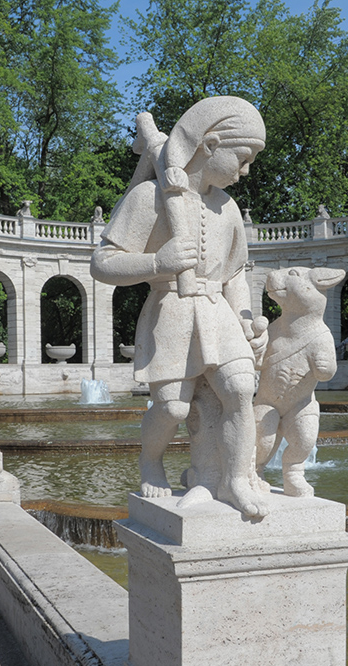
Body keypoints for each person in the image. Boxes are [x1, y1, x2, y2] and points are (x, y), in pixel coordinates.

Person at [91, 96, 268, 517]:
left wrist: (245, 321)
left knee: (241, 390)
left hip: (217, 312)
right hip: (170, 309)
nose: (246, 171)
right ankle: (150, 460)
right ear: (209, 144)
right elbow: (103, 262)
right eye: (242, 158)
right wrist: (158, 262)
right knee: (172, 407)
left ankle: (236, 479)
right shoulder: (151, 197)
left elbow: (235, 275)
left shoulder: (228, 207)